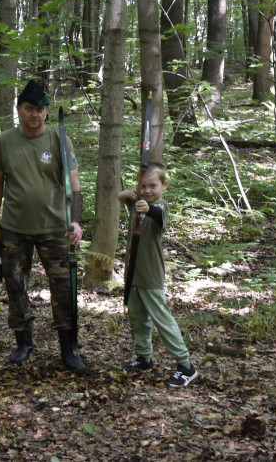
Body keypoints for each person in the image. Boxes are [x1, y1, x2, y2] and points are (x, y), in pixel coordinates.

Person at [0, 79, 87, 374]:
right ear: (19, 109)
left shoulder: (59, 139)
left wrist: (76, 219)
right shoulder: (4, 141)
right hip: (15, 227)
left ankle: (68, 348)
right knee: (15, 286)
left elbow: (74, 183)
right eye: (29, 108)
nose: (35, 114)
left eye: (40, 109)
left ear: (46, 111)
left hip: (55, 226)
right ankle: (24, 343)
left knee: (63, 288)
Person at [117, 162, 197, 387]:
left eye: (153, 185)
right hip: (133, 273)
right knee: (137, 317)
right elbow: (119, 196)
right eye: (143, 186)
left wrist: (146, 206)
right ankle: (144, 358)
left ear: (164, 186)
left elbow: (157, 215)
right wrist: (133, 194)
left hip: (150, 273)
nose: (147, 191)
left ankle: (185, 365)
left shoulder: (160, 207)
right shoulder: (137, 202)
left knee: (161, 318)